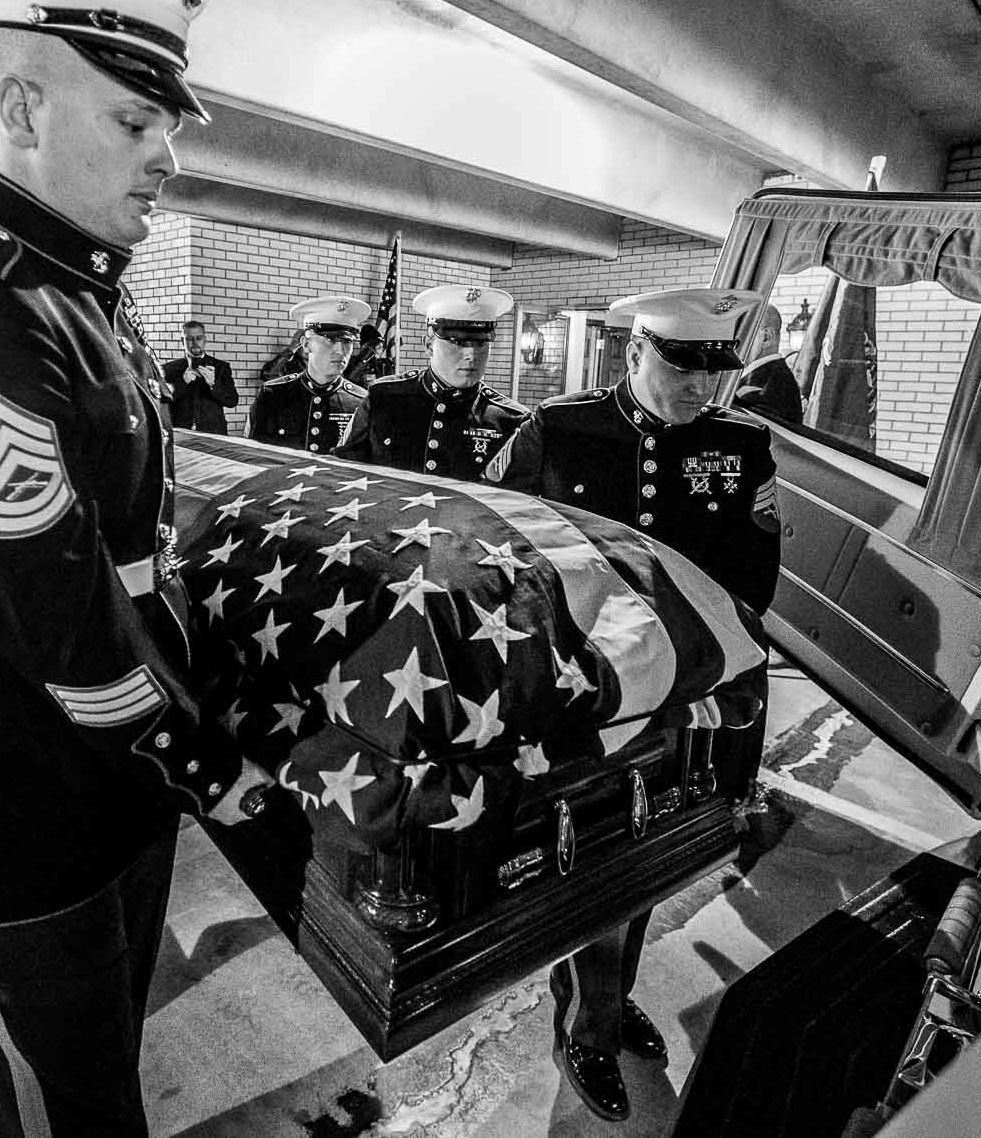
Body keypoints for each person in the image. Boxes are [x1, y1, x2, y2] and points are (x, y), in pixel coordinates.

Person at [0, 0, 271, 1137]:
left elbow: (127, 541)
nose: (165, 163)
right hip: (10, 781)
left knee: (94, 1052)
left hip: (102, 769)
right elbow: (55, 606)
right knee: (68, 1107)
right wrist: (207, 760)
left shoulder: (80, 298)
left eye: (164, 131)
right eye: (135, 124)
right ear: (23, 109)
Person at [485, 287, 779, 1123]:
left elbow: (752, 578)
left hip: (688, 692)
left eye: (713, 370)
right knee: (588, 848)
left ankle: (603, 998)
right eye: (681, 367)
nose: (701, 389)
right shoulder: (559, 430)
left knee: (657, 849)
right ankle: (587, 1019)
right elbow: (491, 548)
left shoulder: (741, 442)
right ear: (633, 354)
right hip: (587, 690)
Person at [336, 284, 527, 478]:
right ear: (429, 346)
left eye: (480, 343)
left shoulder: (510, 420)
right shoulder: (385, 397)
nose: (471, 354)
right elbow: (342, 470)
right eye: (457, 342)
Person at [245, 296, 371, 453]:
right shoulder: (273, 394)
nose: (340, 351)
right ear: (306, 344)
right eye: (330, 339)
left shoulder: (360, 401)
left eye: (347, 341)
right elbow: (253, 455)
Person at [730, 301, 804, 425]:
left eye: (736, 333)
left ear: (765, 338)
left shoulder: (761, 389)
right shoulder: (775, 378)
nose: (728, 342)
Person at [162, 319, 239, 432]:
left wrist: (213, 384)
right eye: (189, 339)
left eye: (199, 338)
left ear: (204, 340)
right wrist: (182, 382)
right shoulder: (168, 369)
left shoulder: (221, 367)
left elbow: (232, 401)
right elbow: (161, 402)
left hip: (214, 434)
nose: (194, 343)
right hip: (180, 434)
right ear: (182, 341)